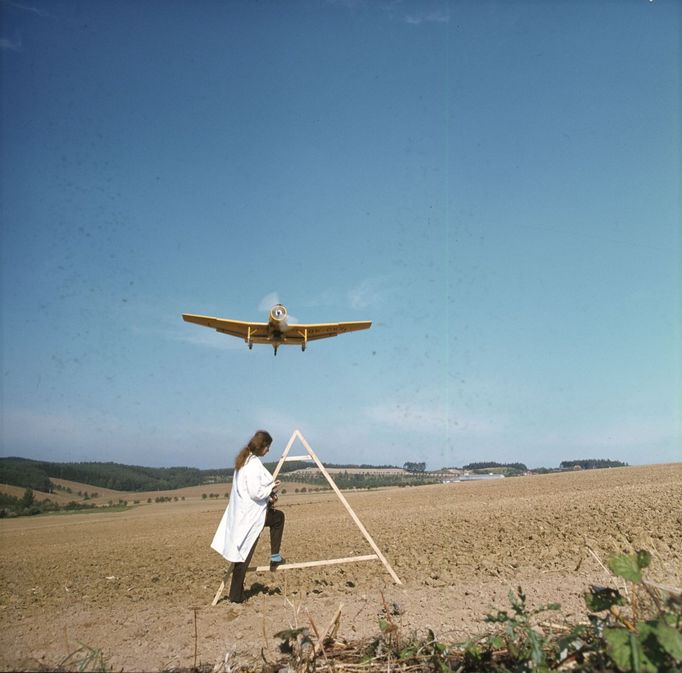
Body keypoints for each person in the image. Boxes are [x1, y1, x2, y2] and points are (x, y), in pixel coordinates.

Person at [210, 430, 285, 603]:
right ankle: (275, 556)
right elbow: (255, 491)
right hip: (251, 516)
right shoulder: (252, 464)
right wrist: (272, 488)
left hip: (245, 514)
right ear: (262, 446)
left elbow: (254, 488)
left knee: (242, 555)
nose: (268, 451)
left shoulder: (244, 461)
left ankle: (236, 595)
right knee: (278, 519)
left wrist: (270, 492)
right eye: (267, 447)